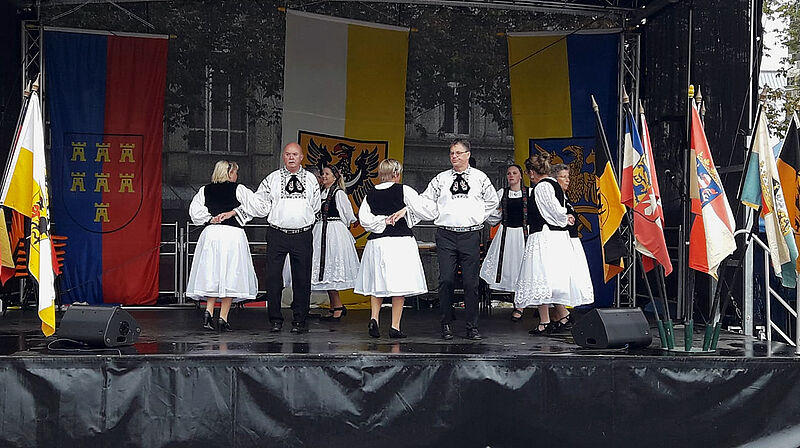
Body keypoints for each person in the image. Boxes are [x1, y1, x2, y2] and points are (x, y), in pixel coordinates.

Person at [235, 142, 321, 334]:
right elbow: (261, 203)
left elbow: (315, 206)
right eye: (288, 154)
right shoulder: (272, 179)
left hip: (302, 234)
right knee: (273, 277)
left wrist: (301, 219)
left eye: (295, 154)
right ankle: (275, 319)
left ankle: (299, 319)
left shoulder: (311, 179)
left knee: (302, 278)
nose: (291, 157)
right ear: (283, 157)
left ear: (301, 157)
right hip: (277, 233)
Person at [420, 139, 499, 340]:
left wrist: (478, 217)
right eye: (451, 153)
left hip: (470, 234)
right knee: (445, 279)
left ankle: (472, 325)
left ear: (467, 154)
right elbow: (426, 199)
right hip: (446, 234)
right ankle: (446, 322)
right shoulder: (441, 179)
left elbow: (492, 201)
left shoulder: (480, 178)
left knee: (471, 283)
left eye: (458, 153)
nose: (454, 156)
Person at [514, 154, 593, 335]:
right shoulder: (552, 185)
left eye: (528, 173)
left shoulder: (542, 187)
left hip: (545, 236)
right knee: (546, 279)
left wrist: (564, 218)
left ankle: (545, 321)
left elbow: (554, 212)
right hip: (552, 236)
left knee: (541, 277)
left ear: (531, 173)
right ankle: (562, 316)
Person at [355, 159, 427, 338]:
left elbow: (364, 219)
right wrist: (405, 212)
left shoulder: (370, 194)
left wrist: (381, 221)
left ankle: (374, 318)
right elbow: (423, 209)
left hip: (377, 242)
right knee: (399, 285)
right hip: (400, 242)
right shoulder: (404, 190)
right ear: (396, 174)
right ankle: (395, 326)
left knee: (377, 283)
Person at [186, 160, 258, 331]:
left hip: (212, 234)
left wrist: (210, 218)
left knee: (213, 273)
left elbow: (194, 210)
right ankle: (223, 317)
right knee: (231, 274)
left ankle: (209, 312)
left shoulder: (205, 190)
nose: (237, 176)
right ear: (229, 173)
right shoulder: (238, 189)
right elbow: (256, 206)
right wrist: (235, 212)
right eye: (235, 172)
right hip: (232, 235)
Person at [479, 164, 529, 321]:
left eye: (514, 173)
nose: (511, 176)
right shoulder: (502, 193)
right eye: (509, 174)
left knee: (525, 267)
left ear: (521, 176)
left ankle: (521, 305)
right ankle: (517, 304)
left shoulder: (530, 193)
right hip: (506, 235)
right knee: (509, 268)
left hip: (524, 235)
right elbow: (491, 214)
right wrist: (498, 213)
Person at [312, 165, 360, 320]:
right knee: (325, 269)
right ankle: (335, 306)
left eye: (327, 174)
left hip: (333, 232)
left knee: (331, 268)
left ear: (335, 177)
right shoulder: (321, 193)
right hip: (321, 230)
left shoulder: (338, 193)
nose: (324, 176)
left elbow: (348, 214)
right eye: (323, 174)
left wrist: (340, 227)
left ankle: (338, 306)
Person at [551, 163, 594, 325]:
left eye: (568, 177)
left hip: (571, 239)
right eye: (563, 177)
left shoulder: (564, 196)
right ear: (555, 180)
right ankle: (562, 313)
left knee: (570, 278)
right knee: (561, 278)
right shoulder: (554, 197)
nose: (567, 180)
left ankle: (560, 313)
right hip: (562, 240)